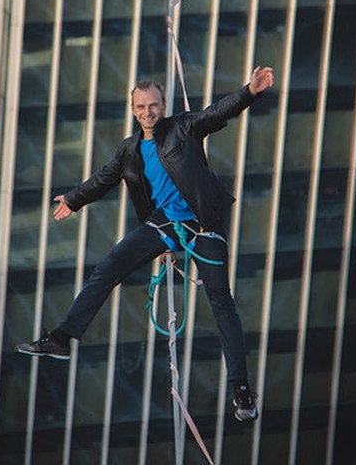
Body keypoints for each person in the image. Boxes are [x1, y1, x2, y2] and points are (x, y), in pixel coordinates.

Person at [16, 66, 274, 422]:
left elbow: (218, 112)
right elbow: (103, 179)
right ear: (133, 109)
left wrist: (250, 91)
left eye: (153, 105)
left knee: (221, 302)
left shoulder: (183, 128)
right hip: (164, 223)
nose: (148, 112)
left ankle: (241, 389)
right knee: (108, 268)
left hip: (203, 223)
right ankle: (62, 338)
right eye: (141, 107)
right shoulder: (130, 150)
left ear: (163, 105)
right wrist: (74, 199)